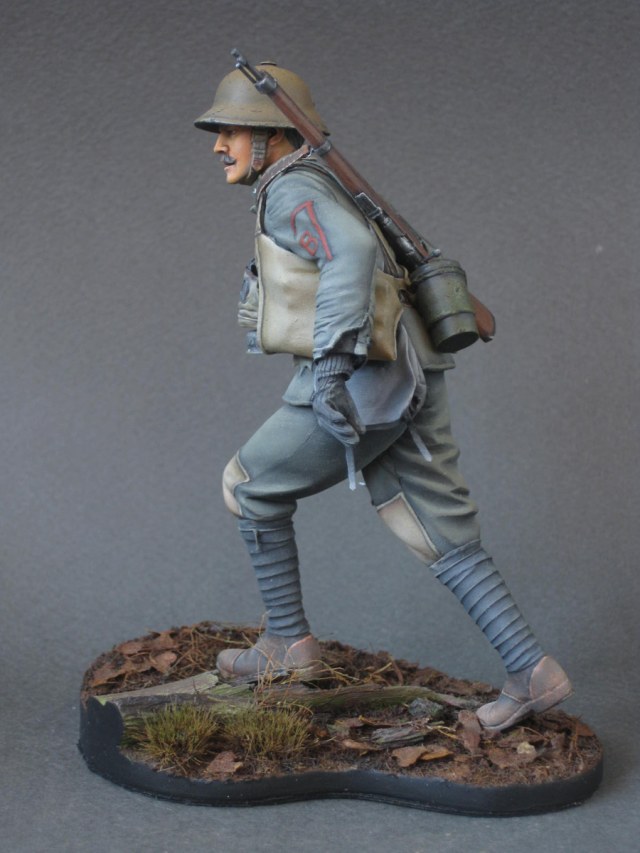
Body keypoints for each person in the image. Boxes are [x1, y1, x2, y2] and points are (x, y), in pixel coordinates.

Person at [194, 62, 572, 732]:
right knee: (432, 526)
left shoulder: (291, 190)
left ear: (274, 136)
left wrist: (331, 370)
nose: (221, 145)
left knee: (247, 485)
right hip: (410, 374)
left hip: (365, 384)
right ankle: (531, 671)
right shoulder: (308, 182)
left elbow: (348, 250)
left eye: (234, 130)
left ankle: (286, 643)